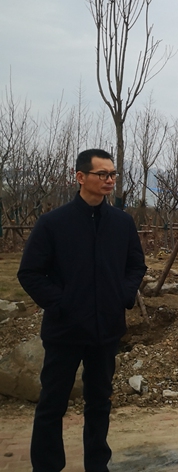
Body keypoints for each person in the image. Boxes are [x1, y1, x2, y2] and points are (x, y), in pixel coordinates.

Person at [18, 148, 147, 472]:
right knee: (52, 404)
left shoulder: (121, 223)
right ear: (80, 177)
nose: (109, 180)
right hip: (65, 331)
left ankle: (97, 465)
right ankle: (47, 466)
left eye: (112, 174)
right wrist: (62, 304)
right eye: (102, 174)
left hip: (106, 331)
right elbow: (29, 273)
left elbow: (136, 265)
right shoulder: (53, 223)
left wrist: (122, 295)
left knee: (100, 402)